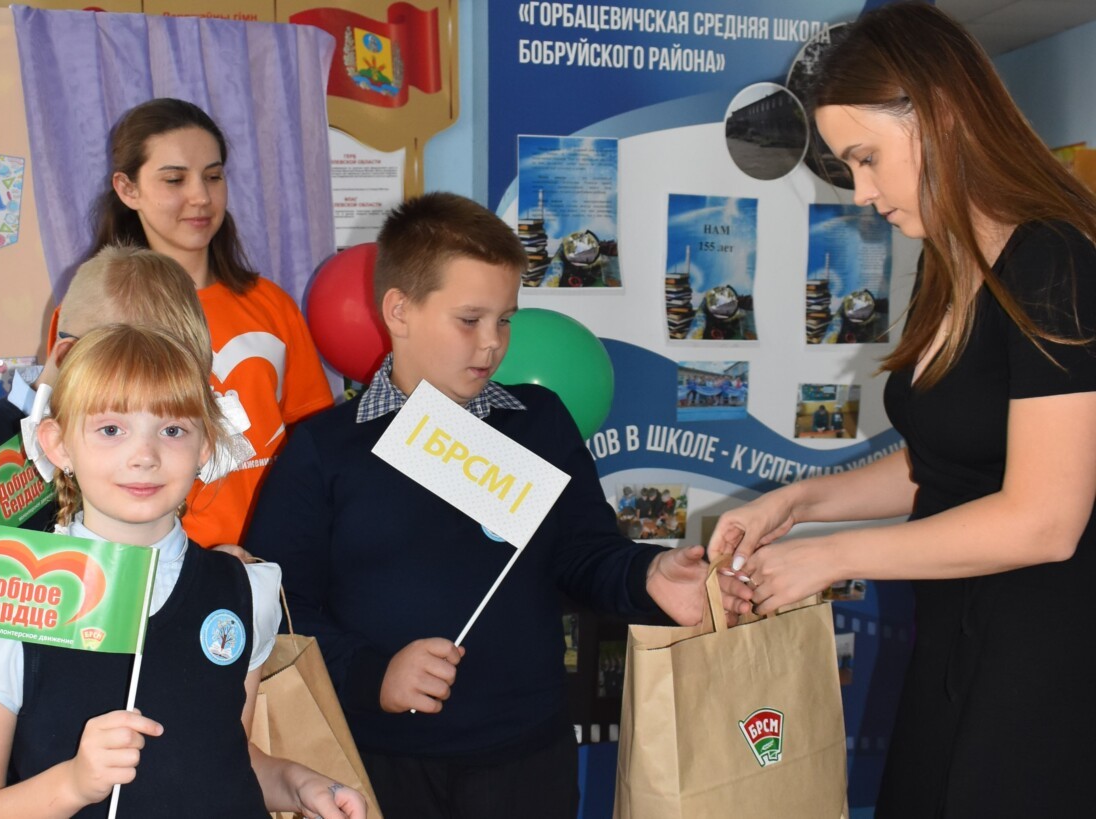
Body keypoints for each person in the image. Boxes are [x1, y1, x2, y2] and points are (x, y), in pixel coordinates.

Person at [245, 191, 751, 818]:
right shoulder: (325, 449)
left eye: (505, 319)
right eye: (469, 320)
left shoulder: (537, 423)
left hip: (526, 756)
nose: (492, 344)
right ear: (398, 311)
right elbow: (276, 609)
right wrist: (372, 672)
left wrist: (646, 574)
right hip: (372, 763)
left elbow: (583, 554)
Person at [708, 4, 1096, 816]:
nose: (863, 192)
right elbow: (947, 459)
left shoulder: (1056, 259)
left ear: (941, 115)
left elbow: (1046, 518)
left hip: (1044, 662)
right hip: (955, 635)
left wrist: (830, 556)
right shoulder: (951, 264)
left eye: (866, 158)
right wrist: (799, 503)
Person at [0, 325, 367, 819]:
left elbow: (228, 755)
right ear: (58, 445)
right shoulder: (13, 592)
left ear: (206, 444)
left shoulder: (245, 591)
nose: (144, 455)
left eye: (173, 430)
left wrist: (297, 785)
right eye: (111, 429)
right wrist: (74, 783)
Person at [0, 245, 215, 692]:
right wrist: (32, 641)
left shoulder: (162, 446)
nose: (145, 445)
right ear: (66, 354)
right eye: (127, 378)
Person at [82, 97, 334, 551]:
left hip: (266, 558)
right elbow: (77, 453)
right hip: (149, 565)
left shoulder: (271, 305)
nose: (201, 196)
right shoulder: (93, 310)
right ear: (127, 189)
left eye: (213, 177)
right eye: (175, 179)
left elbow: (311, 445)